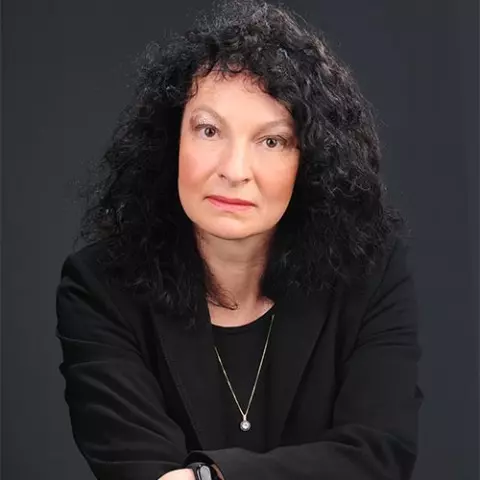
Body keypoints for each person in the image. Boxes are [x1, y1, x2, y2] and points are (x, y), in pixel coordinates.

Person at [55, 1, 423, 479]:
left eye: (271, 141)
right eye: (209, 130)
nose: (234, 170)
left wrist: (207, 477)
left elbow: (378, 457)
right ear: (171, 140)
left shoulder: (370, 274)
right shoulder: (99, 286)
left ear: (310, 160)